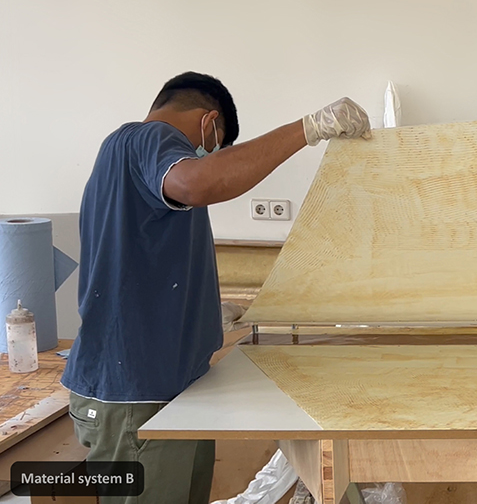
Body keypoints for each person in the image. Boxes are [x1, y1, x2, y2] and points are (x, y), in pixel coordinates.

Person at [61, 71, 372, 503]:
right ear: (208, 122)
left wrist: (209, 310)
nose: (207, 156)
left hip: (165, 390)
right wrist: (308, 129)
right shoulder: (146, 139)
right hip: (135, 396)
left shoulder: (131, 162)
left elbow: (144, 260)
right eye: (216, 147)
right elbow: (198, 182)